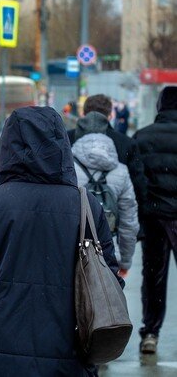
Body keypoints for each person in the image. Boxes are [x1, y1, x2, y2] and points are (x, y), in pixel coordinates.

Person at [0, 107, 122, 376]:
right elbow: (109, 279)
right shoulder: (86, 206)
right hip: (68, 353)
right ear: (62, 146)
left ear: (8, 148)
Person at [133, 86, 177, 355]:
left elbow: (137, 182)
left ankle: (150, 333)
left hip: (154, 219)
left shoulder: (142, 137)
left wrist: (145, 209)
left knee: (153, 278)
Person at [72, 133, 139, 277]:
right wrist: (125, 261)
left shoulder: (69, 167)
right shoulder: (121, 172)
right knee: (106, 295)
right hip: (108, 249)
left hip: (73, 246)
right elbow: (129, 222)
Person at [68, 94, 148, 209]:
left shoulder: (67, 138)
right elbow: (138, 183)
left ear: (83, 114)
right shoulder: (126, 143)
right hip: (113, 213)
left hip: (74, 210)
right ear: (110, 116)